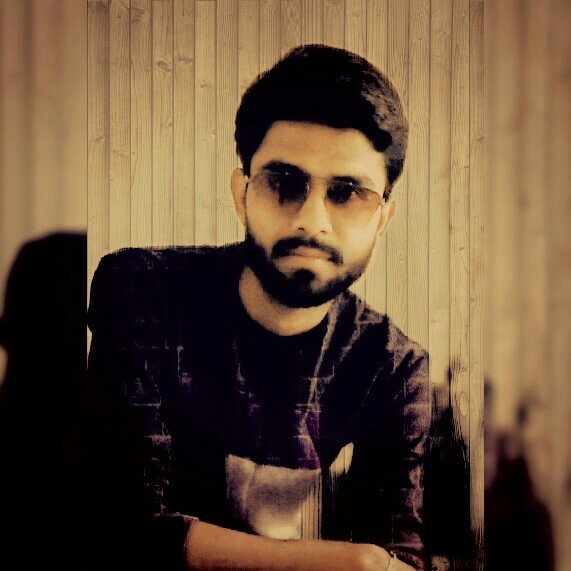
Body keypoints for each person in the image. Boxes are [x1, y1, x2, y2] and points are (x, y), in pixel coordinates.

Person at [86, 44, 430, 571]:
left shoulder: (392, 367)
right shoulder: (142, 290)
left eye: (347, 193)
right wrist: (350, 563)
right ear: (242, 193)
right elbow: (120, 528)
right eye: (284, 183)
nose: (312, 220)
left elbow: (399, 553)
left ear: (383, 219)